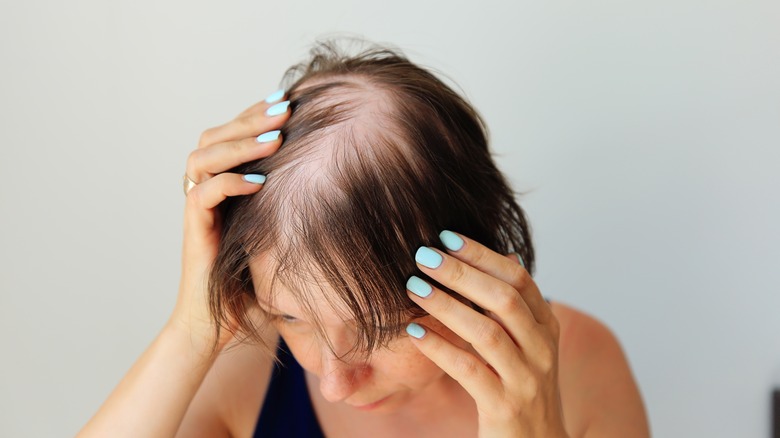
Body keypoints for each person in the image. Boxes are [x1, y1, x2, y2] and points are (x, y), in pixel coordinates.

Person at [78, 39, 651, 437]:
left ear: (475, 259)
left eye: (377, 327)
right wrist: (190, 330)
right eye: (292, 319)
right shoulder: (248, 372)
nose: (331, 383)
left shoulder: (578, 368)